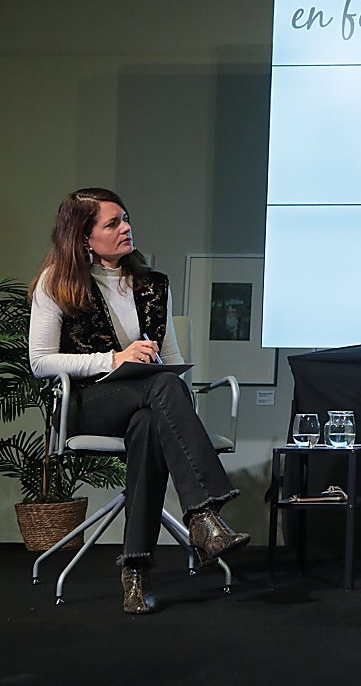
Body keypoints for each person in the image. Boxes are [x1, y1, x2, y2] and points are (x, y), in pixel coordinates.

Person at [28, 188, 250, 615]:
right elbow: (40, 362)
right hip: (87, 404)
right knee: (160, 389)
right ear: (83, 236)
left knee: (150, 419)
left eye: (126, 219)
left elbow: (170, 359)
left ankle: (136, 573)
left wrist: (166, 376)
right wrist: (114, 359)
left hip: (146, 401)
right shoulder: (57, 283)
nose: (126, 228)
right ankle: (203, 515)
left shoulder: (152, 284)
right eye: (113, 223)